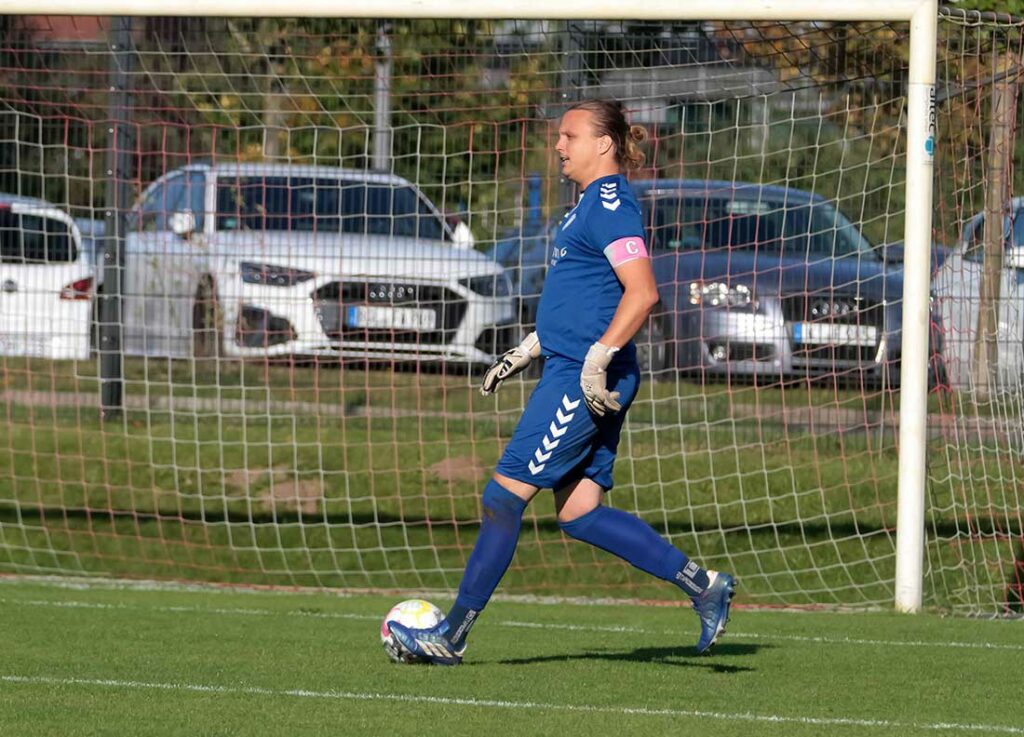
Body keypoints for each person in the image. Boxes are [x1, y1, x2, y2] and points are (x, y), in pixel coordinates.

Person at [388, 99, 735, 666]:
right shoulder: (583, 208)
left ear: (603, 144)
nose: (559, 146)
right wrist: (528, 347)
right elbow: (584, 297)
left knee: (503, 498)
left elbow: (642, 292)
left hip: (582, 378)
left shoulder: (610, 202)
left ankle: (451, 634)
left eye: (570, 135)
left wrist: (596, 359)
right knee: (579, 513)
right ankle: (705, 585)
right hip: (573, 365)